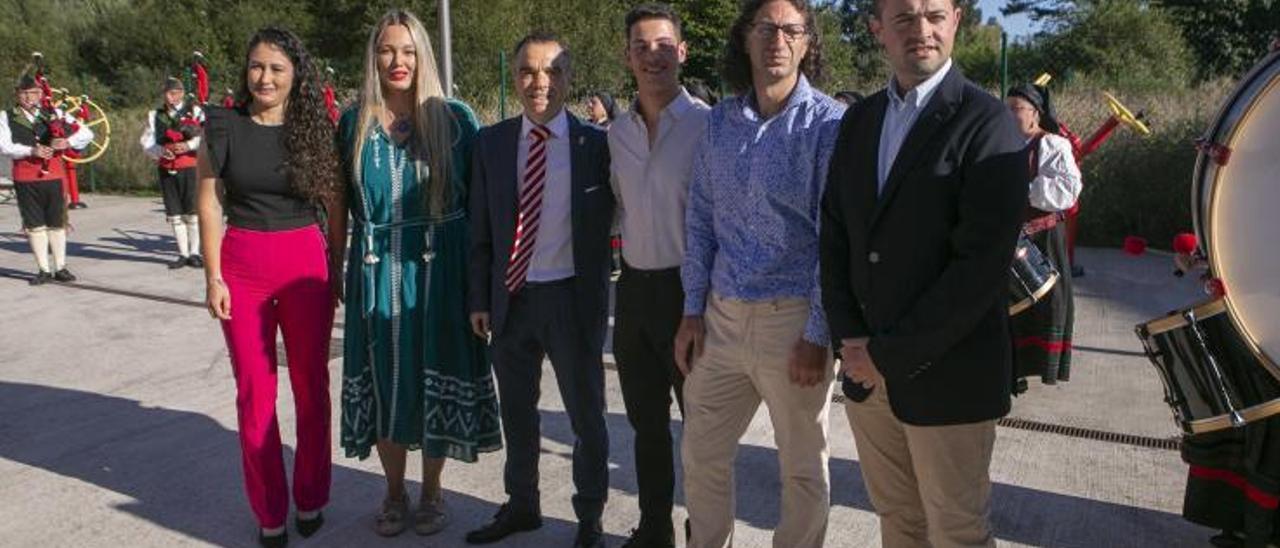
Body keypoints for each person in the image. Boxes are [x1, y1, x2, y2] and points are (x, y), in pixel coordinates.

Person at [819, 0, 1029, 546]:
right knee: (900, 521)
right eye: (904, 18)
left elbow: (979, 269)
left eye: (934, 15)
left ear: (957, 21)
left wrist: (885, 354)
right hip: (868, 374)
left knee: (955, 530)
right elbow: (836, 233)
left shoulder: (987, 123)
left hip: (948, 376)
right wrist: (851, 339)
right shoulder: (860, 121)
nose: (922, 31)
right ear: (878, 29)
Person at [673, 1, 844, 546]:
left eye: (791, 30)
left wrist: (818, 333)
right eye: (765, 28)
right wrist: (692, 309)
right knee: (701, 455)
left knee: (801, 467)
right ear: (744, 40)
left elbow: (832, 237)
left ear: (806, 44)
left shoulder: (828, 125)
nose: (777, 39)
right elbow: (700, 217)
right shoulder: (721, 121)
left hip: (791, 321)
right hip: (721, 320)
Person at [331, 8, 502, 539]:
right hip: (376, 267)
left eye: (407, 51)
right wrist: (335, 269)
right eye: (387, 50)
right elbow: (339, 202)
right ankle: (394, 491)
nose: (397, 61)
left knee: (436, 376)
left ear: (421, 56)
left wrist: (481, 285)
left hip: (442, 268)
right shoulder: (352, 122)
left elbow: (482, 210)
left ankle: (431, 492)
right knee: (383, 378)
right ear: (374, 57)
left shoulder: (455, 120)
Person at [465, 32, 614, 548]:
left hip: (573, 302)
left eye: (551, 71)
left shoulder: (597, 146)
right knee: (518, 413)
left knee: (586, 416)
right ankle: (522, 505)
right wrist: (480, 299)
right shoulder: (492, 142)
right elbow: (479, 227)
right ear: (515, 75)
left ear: (568, 78)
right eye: (528, 71)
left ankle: (590, 515)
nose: (539, 82)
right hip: (512, 299)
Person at [196, 27, 340, 548]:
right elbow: (209, 202)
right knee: (254, 395)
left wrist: (339, 265)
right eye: (257, 66)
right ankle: (269, 510)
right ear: (246, 70)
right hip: (243, 266)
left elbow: (335, 202)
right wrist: (212, 275)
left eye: (277, 68)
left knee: (310, 388)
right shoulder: (222, 125)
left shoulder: (315, 127)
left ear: (295, 74)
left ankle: (311, 495)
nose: (265, 77)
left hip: (305, 262)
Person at [608, 4, 710, 547]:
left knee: (701, 432)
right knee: (647, 427)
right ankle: (654, 531)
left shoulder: (707, 126)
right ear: (628, 57)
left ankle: (704, 532)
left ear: (682, 52)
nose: (653, 56)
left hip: (690, 295)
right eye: (641, 47)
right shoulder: (615, 134)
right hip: (634, 293)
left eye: (664, 44)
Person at [1006, 83, 1081, 392]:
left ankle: (1031, 367)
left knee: (1043, 304)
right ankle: (1011, 371)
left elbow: (1068, 190)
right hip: (1010, 239)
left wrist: (1021, 189)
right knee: (1007, 308)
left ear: (1035, 114)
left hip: (1043, 238)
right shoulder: (1003, 143)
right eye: (1005, 109)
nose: (1009, 115)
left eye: (1016, 109)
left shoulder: (1052, 145)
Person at [0, 74, 93, 285]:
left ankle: (60, 267)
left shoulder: (55, 113)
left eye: (33, 92)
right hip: (26, 177)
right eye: (23, 93)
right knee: (34, 225)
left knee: (57, 223)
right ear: (17, 94)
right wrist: (31, 150)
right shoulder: (6, 116)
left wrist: (66, 141)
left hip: (55, 175)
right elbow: (3, 146)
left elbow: (87, 133)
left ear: (41, 94)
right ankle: (43, 269)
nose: (28, 97)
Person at [140, 77, 206, 269]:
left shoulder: (195, 111)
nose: (172, 97)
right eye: (168, 93)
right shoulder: (154, 115)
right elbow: (146, 141)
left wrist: (189, 145)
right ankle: (182, 254)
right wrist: (160, 152)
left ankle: (195, 252)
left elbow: (207, 135)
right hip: (167, 167)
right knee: (175, 213)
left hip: (191, 166)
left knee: (192, 212)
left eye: (176, 93)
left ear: (182, 94)